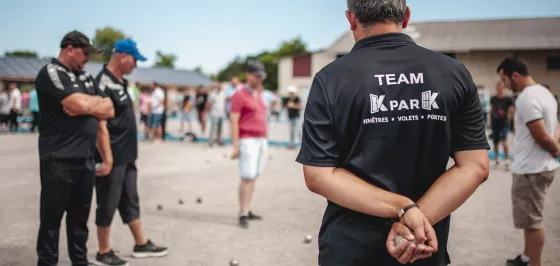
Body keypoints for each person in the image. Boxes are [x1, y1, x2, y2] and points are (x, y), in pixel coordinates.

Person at [295, 1, 490, 265]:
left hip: (351, 247)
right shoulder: (453, 73)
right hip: (422, 244)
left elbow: (319, 175)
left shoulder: (331, 78)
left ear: (351, 20)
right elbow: (475, 167)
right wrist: (416, 220)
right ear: (406, 17)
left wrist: (403, 208)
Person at [34, 30, 114, 266]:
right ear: (69, 49)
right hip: (57, 157)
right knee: (52, 218)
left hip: (85, 158)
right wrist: (88, 104)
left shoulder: (86, 77)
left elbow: (108, 109)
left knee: (80, 218)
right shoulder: (51, 73)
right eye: (85, 53)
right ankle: (47, 262)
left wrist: (87, 107)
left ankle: (80, 261)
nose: (88, 58)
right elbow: (75, 102)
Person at [92, 39, 169, 266]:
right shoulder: (102, 83)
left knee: (130, 199)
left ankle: (141, 243)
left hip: (127, 154)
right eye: (135, 59)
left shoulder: (121, 82)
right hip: (112, 155)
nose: (136, 65)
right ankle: (103, 251)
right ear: (122, 56)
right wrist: (106, 158)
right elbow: (100, 124)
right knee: (108, 200)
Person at [497, 57, 559, 266]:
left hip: (531, 169)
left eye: (504, 79)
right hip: (540, 166)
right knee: (529, 220)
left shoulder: (526, 98)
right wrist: (554, 147)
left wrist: (556, 149)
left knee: (533, 223)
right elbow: (556, 125)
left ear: (515, 75)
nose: (504, 85)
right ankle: (525, 257)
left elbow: (541, 135)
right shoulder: (545, 93)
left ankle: (534, 263)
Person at [230, 61, 268, 229]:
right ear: (249, 75)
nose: (260, 78)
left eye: (261, 76)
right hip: (247, 139)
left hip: (261, 139)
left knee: (254, 175)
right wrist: (236, 145)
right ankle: (243, 212)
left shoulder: (259, 94)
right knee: (247, 177)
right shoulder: (240, 94)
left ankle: (248, 208)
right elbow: (234, 120)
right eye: (257, 75)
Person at [490, 81, 515, 169]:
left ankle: (507, 159)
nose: (499, 89)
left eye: (501, 87)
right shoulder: (493, 99)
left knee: (504, 142)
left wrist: (513, 124)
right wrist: (491, 122)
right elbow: (491, 111)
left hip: (504, 123)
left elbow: (512, 112)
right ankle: (497, 158)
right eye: (498, 87)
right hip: (495, 123)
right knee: (495, 142)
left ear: (504, 88)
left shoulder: (508, 99)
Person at [208, 82, 227, 146]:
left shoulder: (223, 93)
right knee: (213, 128)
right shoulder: (212, 93)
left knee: (220, 128)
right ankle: (211, 141)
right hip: (214, 113)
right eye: (217, 86)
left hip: (221, 113)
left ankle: (219, 140)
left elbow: (224, 103)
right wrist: (208, 111)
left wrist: (225, 111)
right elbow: (209, 103)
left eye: (219, 86)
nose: (219, 87)